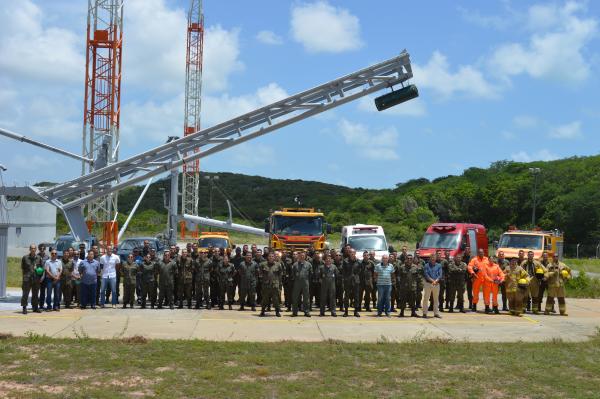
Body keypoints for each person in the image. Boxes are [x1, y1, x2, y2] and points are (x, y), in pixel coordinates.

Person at [259, 252, 283, 317]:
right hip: (266, 285)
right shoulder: (263, 265)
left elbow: (280, 274)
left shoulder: (278, 265)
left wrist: (278, 283)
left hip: (274, 285)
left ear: (274, 257)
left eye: (272, 256)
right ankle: (262, 311)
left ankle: (277, 312)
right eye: (270, 256)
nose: (271, 257)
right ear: (268, 257)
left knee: (276, 300)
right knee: (264, 299)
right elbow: (260, 273)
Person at [21, 244, 43, 314]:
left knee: (35, 294)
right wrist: (25, 276)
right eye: (32, 248)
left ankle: (35, 307)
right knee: (25, 294)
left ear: (36, 249)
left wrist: (40, 276)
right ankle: (24, 307)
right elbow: (22, 268)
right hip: (27, 279)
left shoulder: (39, 258)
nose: (33, 249)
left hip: (36, 279)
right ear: (30, 249)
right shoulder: (25, 257)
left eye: (34, 248)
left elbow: (41, 268)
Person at [292, 252, 312, 317]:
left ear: (305, 257)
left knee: (306, 298)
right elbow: (293, 274)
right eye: (300, 256)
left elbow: (311, 274)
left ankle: (306, 312)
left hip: (305, 283)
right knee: (295, 298)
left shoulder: (308, 264)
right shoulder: (295, 265)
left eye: (303, 256)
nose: (302, 257)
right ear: (299, 256)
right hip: (297, 283)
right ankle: (295, 312)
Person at [342, 249, 361, 317]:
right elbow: (343, 271)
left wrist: (357, 278)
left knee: (356, 296)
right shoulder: (345, 261)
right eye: (350, 252)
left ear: (355, 253)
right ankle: (346, 312)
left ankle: (356, 311)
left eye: (353, 252)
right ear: (349, 253)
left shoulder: (358, 261)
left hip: (356, 281)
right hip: (348, 281)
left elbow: (360, 271)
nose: (352, 253)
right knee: (346, 297)